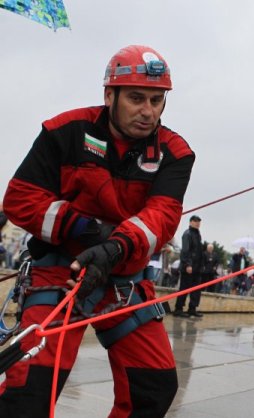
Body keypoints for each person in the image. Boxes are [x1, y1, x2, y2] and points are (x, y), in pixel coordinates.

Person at [0, 45, 194, 417]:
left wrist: (115, 247)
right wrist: (86, 229)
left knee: (154, 388)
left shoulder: (175, 152)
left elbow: (163, 215)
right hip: (60, 274)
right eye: (136, 98)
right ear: (109, 95)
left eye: (157, 100)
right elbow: (20, 199)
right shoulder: (64, 132)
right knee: (29, 391)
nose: (148, 110)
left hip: (124, 282)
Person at [173, 215, 204, 318]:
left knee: (196, 290)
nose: (197, 223)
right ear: (190, 222)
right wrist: (188, 264)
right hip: (189, 267)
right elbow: (186, 251)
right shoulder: (187, 234)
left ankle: (192, 308)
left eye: (199, 221)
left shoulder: (198, 234)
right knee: (184, 288)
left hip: (197, 268)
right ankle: (178, 309)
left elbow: (198, 251)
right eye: (195, 221)